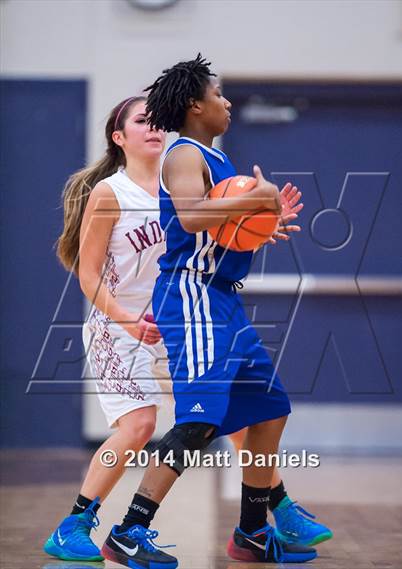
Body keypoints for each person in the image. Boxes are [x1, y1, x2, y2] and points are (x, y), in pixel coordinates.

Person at [100, 55, 320, 568]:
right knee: (200, 421)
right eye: (219, 94)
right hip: (191, 296)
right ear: (196, 105)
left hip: (221, 297)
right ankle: (129, 532)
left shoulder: (219, 163)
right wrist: (255, 200)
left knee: (269, 409)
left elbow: (222, 233)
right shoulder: (183, 154)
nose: (227, 103)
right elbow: (194, 216)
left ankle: (250, 533)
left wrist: (264, 218)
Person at [44, 96, 167, 562]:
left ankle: (268, 513)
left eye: (159, 121)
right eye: (142, 120)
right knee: (139, 425)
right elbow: (89, 274)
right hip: (118, 327)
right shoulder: (110, 193)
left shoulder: (182, 188)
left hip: (170, 326)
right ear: (120, 138)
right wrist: (127, 320)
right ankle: (74, 523)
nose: (153, 126)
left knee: (223, 409)